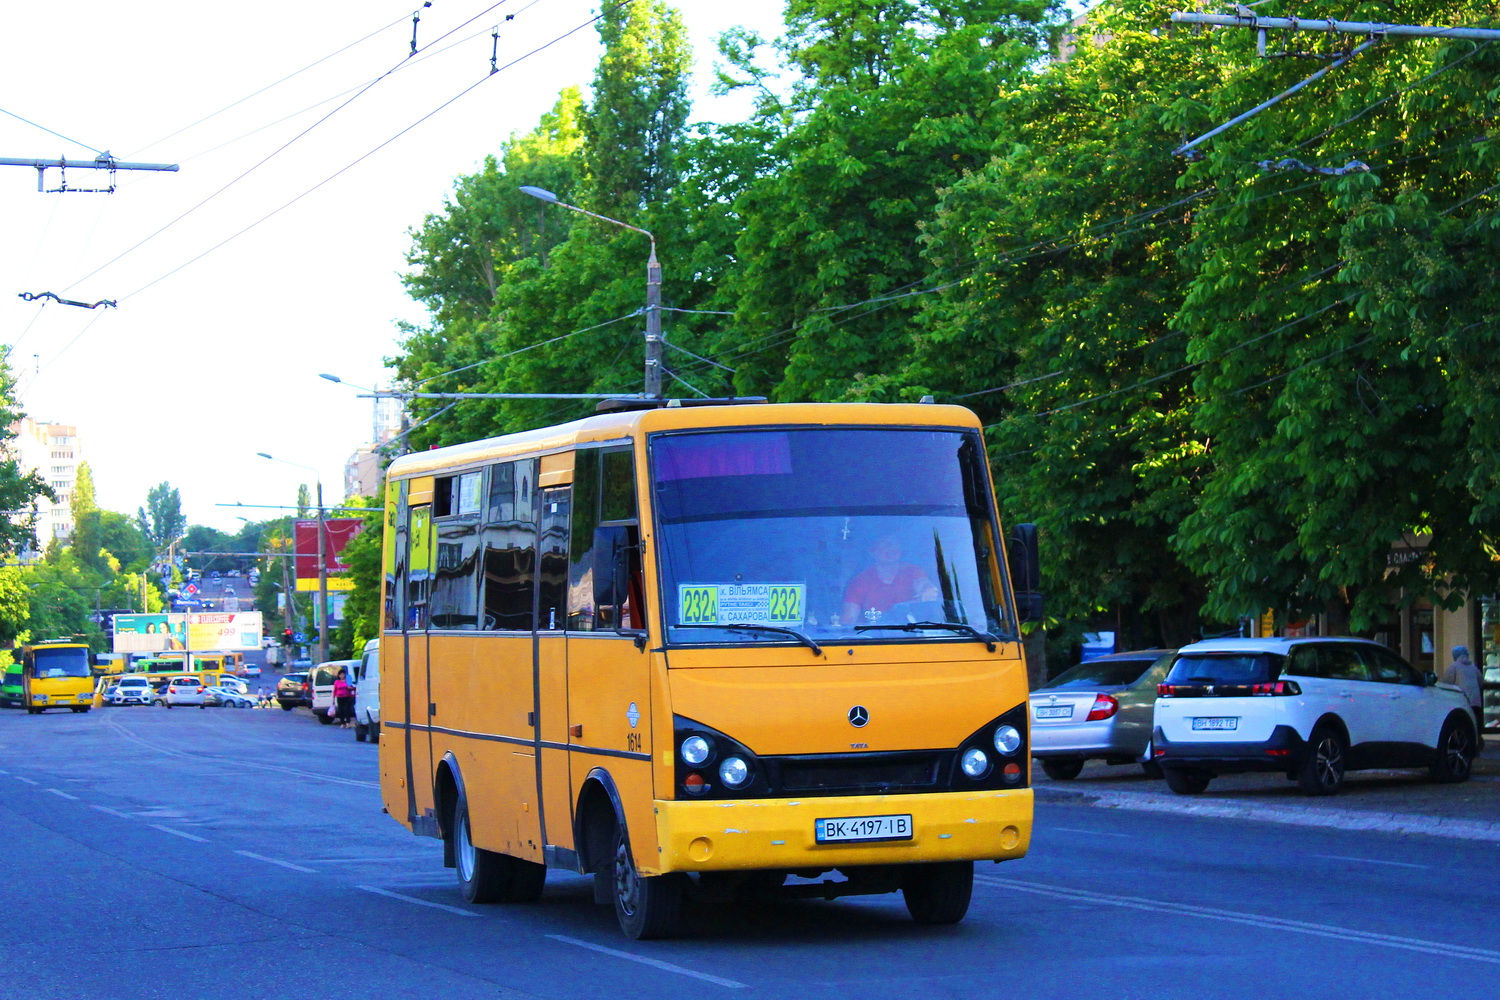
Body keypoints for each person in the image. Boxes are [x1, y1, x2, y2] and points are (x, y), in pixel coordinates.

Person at [839, 534, 940, 625]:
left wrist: (927, 589)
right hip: (875, 639)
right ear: (872, 551)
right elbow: (848, 620)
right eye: (886, 545)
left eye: (895, 545)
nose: (891, 549)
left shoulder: (912, 571)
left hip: (913, 636)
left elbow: (923, 584)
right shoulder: (860, 581)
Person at [1442, 645, 1483, 738]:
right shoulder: (1473, 667)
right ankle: (1476, 738)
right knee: (1475, 722)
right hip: (1476, 701)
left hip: (1462, 701)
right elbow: (1481, 681)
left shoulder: (1454, 667)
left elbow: (1446, 682)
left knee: (1462, 724)